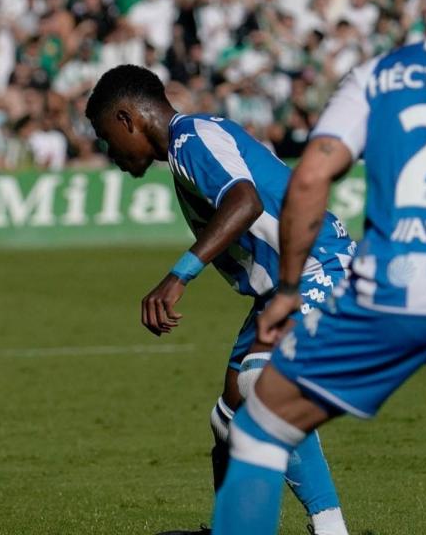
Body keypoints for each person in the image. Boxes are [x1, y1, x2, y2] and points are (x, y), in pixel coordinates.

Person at [212, 0, 426, 533]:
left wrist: (290, 287)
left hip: (392, 288)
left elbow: (312, 179)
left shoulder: (382, 75)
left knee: (262, 420)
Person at [84, 65, 353, 535]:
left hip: (319, 265)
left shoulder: (191, 140)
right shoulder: (190, 146)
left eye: (107, 138)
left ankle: (331, 528)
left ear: (127, 118)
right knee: (228, 419)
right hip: (279, 289)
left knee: (259, 385)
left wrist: (177, 276)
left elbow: (244, 201)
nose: (111, 153)